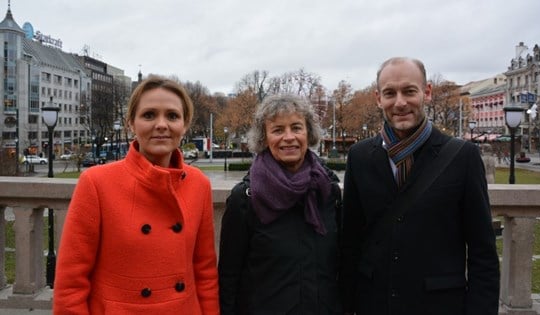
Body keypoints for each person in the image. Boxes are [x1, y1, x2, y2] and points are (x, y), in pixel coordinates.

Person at [340, 57, 500, 315]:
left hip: (439, 306)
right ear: (378, 98)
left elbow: (483, 253)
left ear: (426, 93)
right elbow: (351, 242)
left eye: (409, 91)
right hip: (374, 304)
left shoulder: (463, 157)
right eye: (390, 93)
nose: (400, 102)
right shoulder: (359, 156)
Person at [54, 76, 220, 314]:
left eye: (172, 116)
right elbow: (71, 283)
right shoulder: (96, 183)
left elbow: (204, 272)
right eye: (149, 115)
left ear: (185, 125)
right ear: (131, 123)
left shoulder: (198, 184)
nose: (161, 124)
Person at [218, 94, 343, 314]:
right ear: (264, 139)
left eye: (296, 128)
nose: (289, 137)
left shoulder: (328, 191)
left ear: (309, 133)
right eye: (277, 130)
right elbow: (229, 277)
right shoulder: (246, 198)